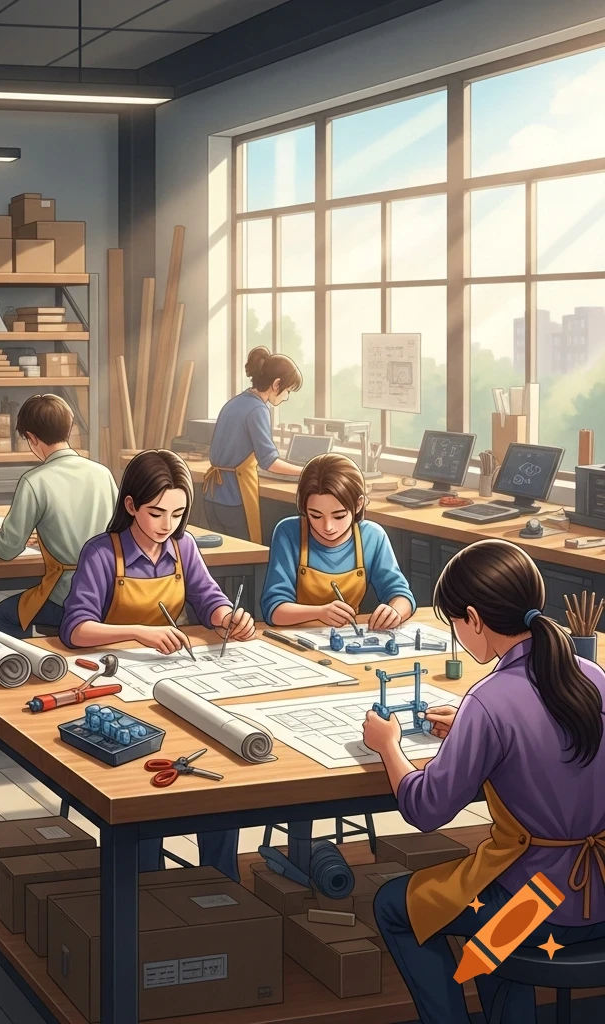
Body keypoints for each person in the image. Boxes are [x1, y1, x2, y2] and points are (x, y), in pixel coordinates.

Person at [363, 539, 605, 1023]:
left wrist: (388, 745)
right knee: (487, 948)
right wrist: (475, 732)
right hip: (599, 892)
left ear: (473, 619)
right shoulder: (591, 675)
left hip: (539, 906)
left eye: (454, 623)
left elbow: (426, 809)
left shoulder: (488, 699)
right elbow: (547, 738)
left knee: (394, 905)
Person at [61, 449, 255, 879]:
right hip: (116, 687)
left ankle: (221, 885)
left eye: (178, 513)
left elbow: (208, 598)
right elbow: (75, 630)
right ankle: (148, 887)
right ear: (131, 505)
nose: (167, 524)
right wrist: (138, 632)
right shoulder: (102, 553)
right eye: (156, 512)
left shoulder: (184, 547)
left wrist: (227, 618)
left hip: (172, 679)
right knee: (141, 783)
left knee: (220, 767)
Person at [0, 394, 117, 638]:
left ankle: (27, 661)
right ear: (69, 429)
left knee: (6, 614)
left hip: (67, 595)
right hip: (109, 590)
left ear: (31, 438)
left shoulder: (34, 481)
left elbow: (8, 548)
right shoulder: (102, 473)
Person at [260, 453, 414, 631]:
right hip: (297, 637)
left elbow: (401, 595)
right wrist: (319, 613)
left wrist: (394, 611)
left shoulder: (372, 536)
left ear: (358, 504)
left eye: (339, 516)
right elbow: (274, 610)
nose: (328, 527)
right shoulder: (289, 533)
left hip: (349, 636)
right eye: (315, 515)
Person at [202, 346, 304, 545]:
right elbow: (269, 462)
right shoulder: (258, 409)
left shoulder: (235, 402)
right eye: (288, 391)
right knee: (246, 554)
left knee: (222, 554)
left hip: (213, 496)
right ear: (276, 384)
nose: (286, 397)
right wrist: (306, 471)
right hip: (234, 498)